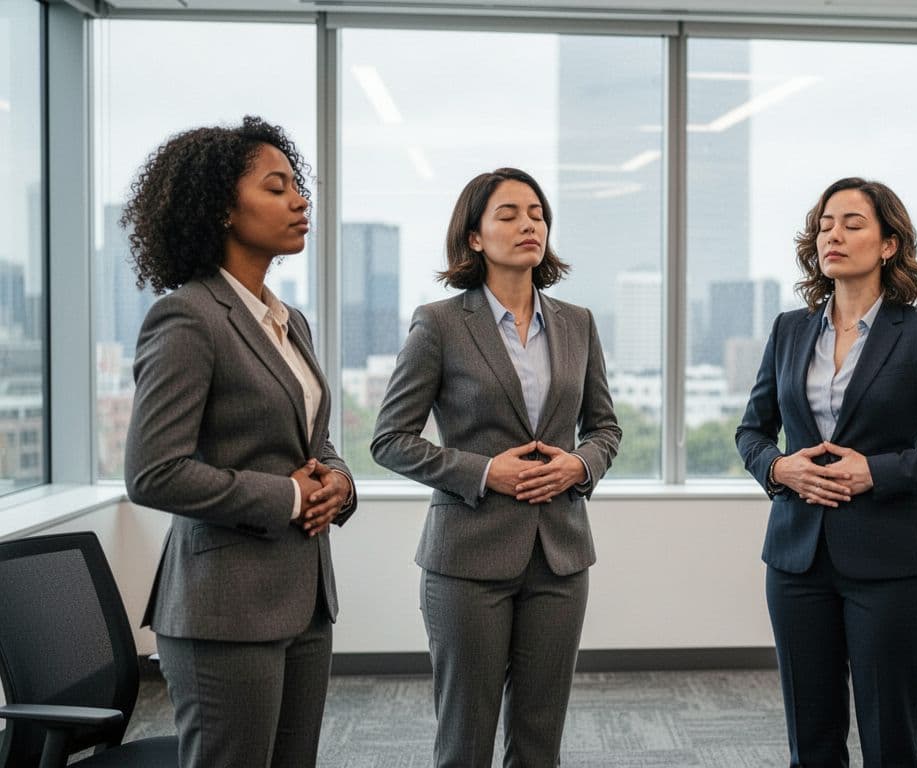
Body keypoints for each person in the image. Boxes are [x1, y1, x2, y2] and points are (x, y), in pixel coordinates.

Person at [123, 116, 357, 768]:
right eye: (276, 188)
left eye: (297, 187)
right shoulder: (188, 316)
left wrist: (338, 482)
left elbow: (311, 437)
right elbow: (154, 472)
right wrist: (289, 497)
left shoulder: (289, 321)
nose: (300, 202)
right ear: (223, 208)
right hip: (224, 609)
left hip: (304, 597)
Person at [736, 177, 917, 768]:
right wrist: (780, 468)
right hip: (796, 560)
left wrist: (875, 472)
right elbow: (751, 432)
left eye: (852, 224)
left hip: (889, 563)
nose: (834, 235)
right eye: (825, 224)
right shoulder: (790, 329)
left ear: (888, 244)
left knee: (889, 738)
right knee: (811, 739)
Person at [370, 167, 621, 768]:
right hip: (467, 559)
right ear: (475, 237)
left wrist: (578, 466)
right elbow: (389, 440)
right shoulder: (439, 323)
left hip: (559, 557)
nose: (528, 224)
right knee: (466, 739)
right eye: (508, 214)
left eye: (536, 213)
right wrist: (485, 473)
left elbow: (605, 429)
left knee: (540, 741)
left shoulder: (577, 322)